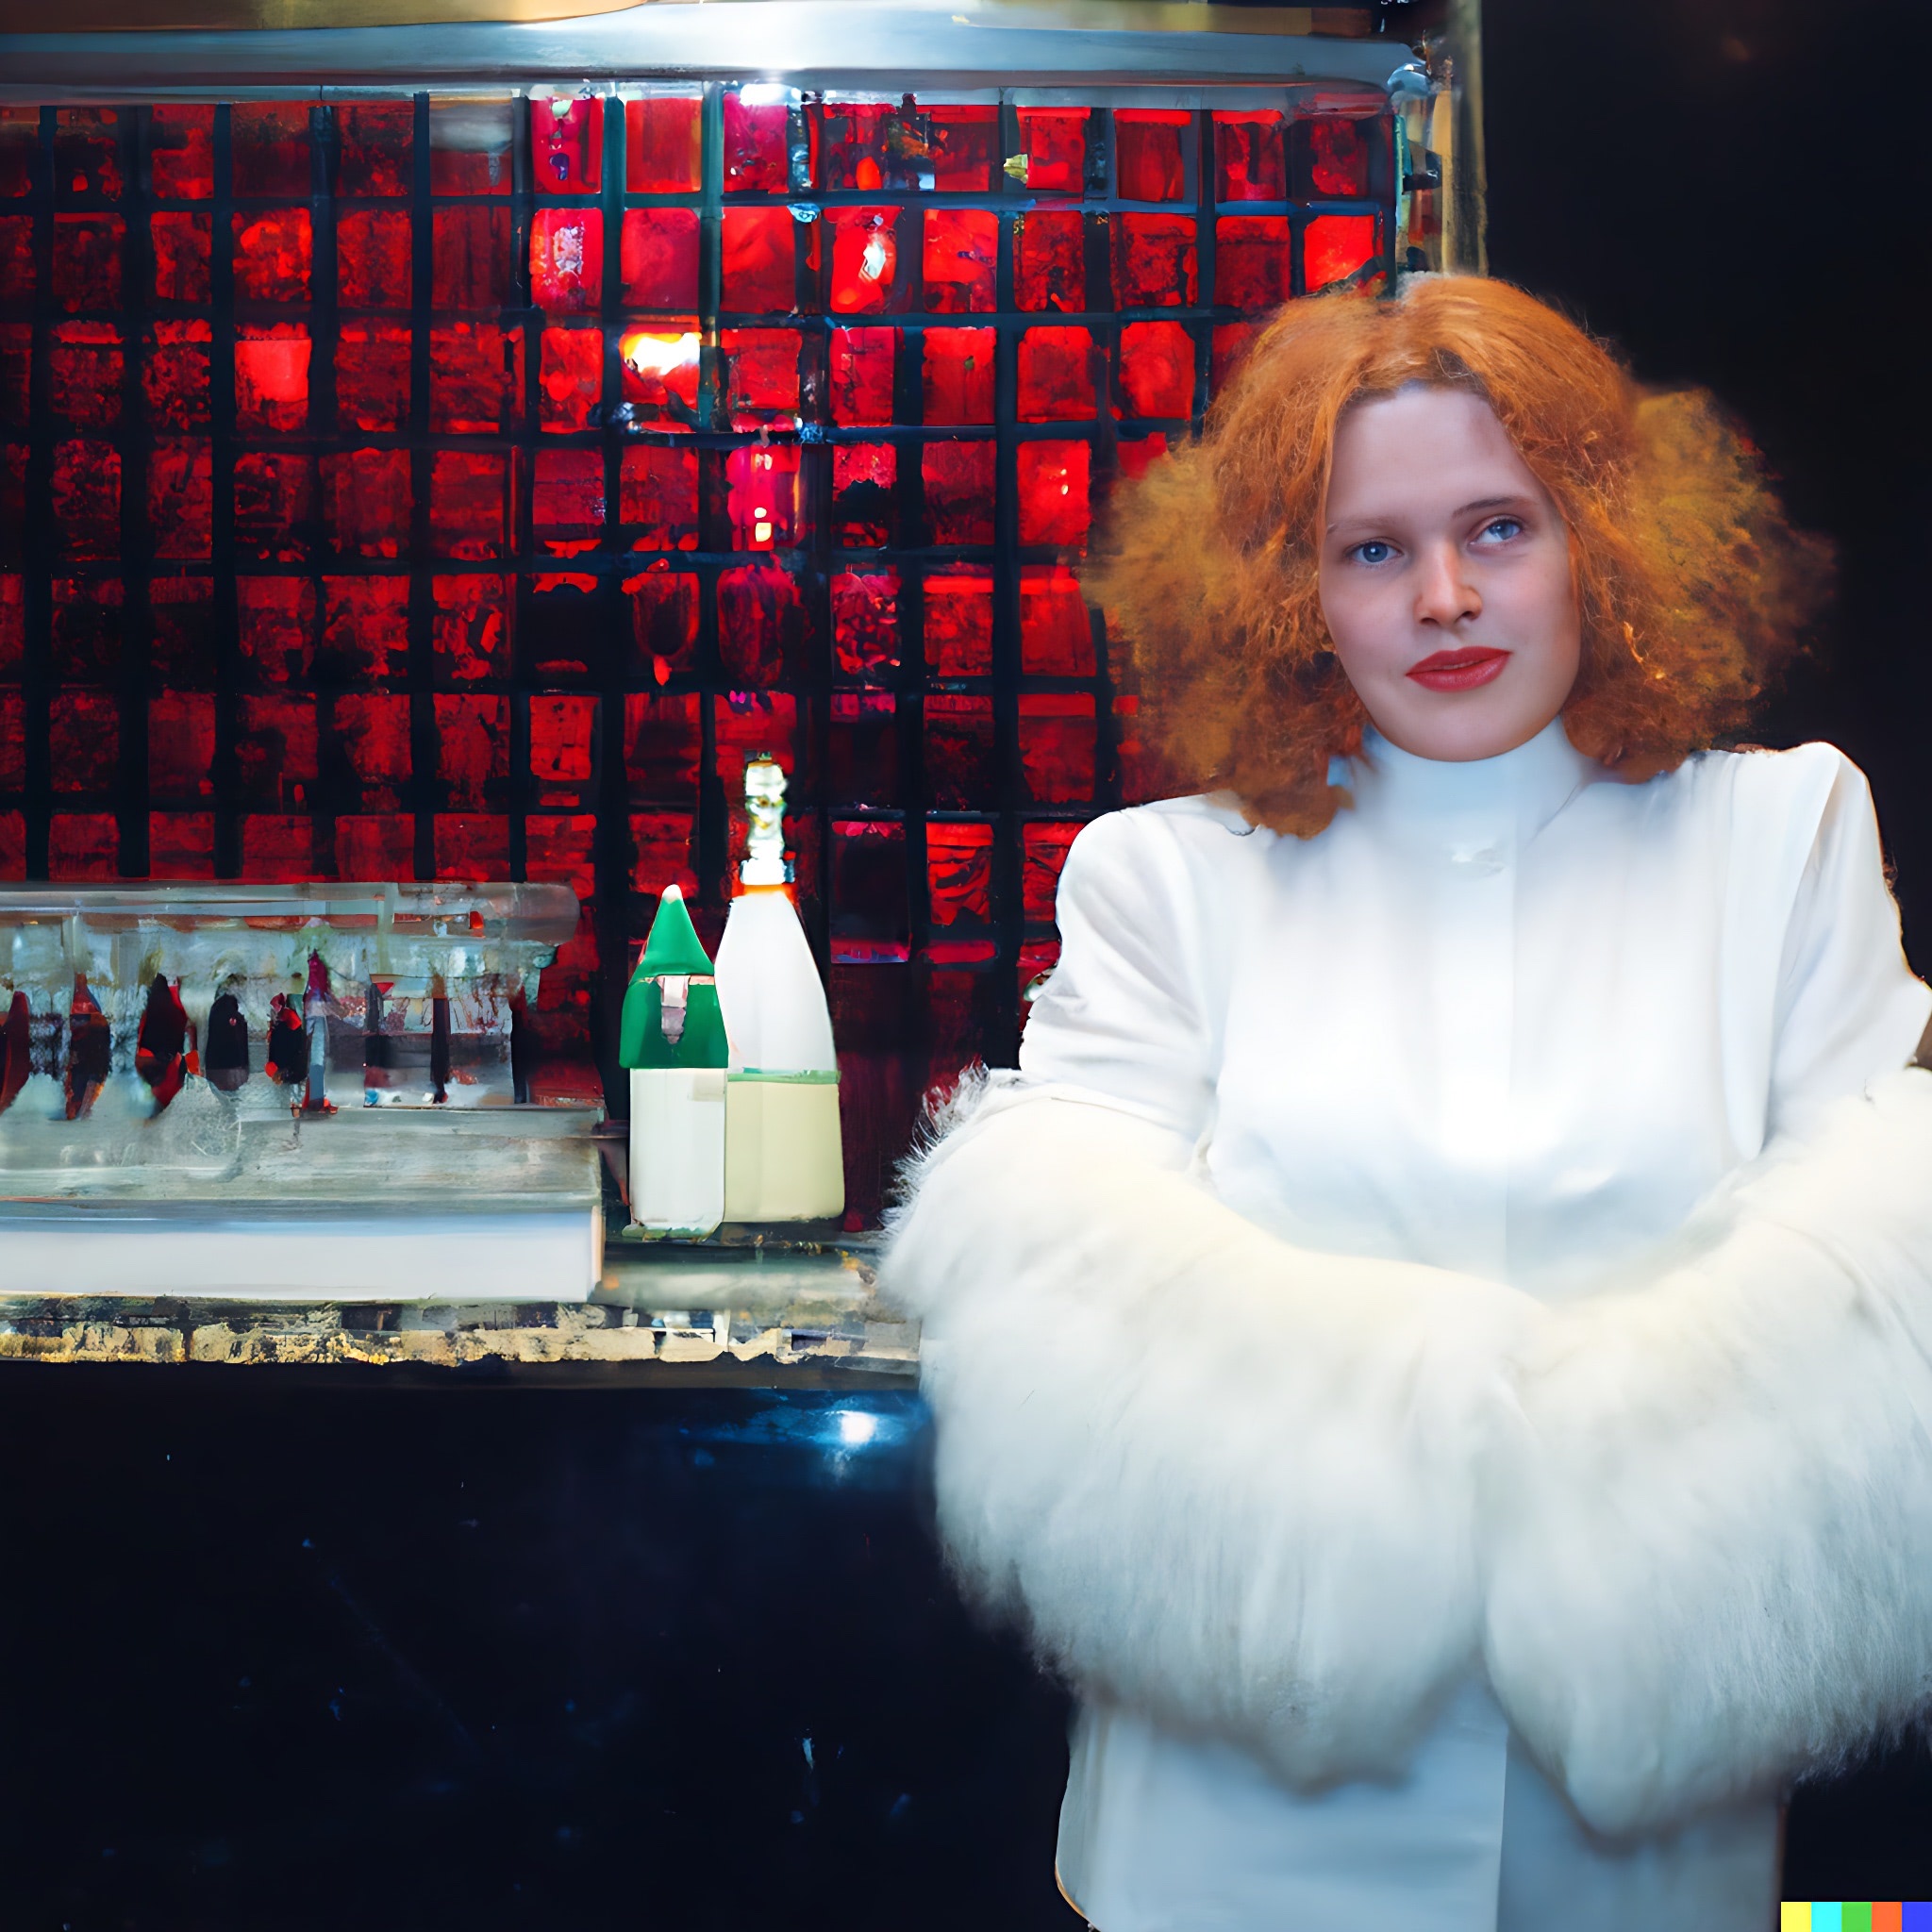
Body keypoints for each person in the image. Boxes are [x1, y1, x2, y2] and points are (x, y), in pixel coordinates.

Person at [878, 275, 1932, 1931]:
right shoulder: (1165, 880)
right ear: (1293, 590)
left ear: (1600, 534)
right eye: (1374, 548)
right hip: (1233, 1823)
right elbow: (1056, 1321)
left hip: (1640, 1826)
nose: (1446, 597)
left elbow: (1887, 1310)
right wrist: (1504, 1456)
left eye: (1499, 526)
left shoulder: (1781, 842)